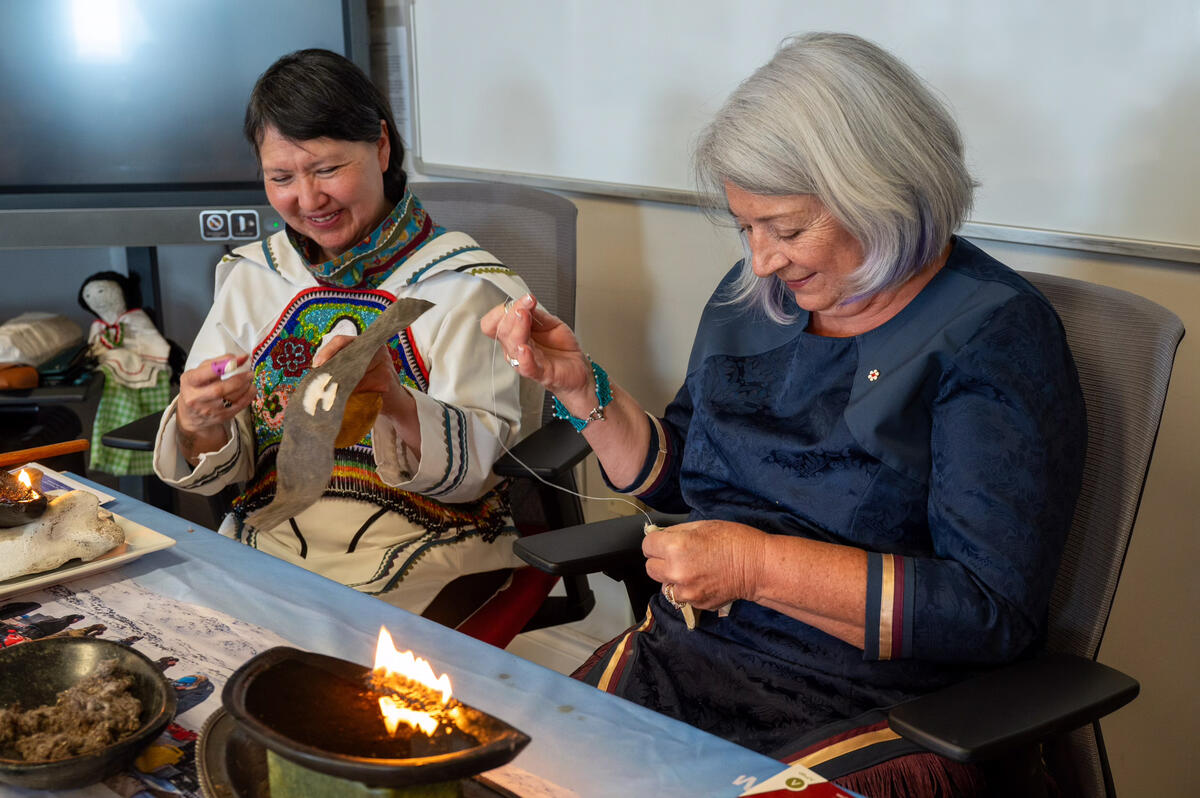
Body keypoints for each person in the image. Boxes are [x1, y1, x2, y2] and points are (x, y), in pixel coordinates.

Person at [484, 33, 1085, 797]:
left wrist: (753, 565)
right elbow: (686, 485)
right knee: (509, 772)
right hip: (700, 661)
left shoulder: (990, 335)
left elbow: (987, 612)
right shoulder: (757, 303)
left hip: (878, 705)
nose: (763, 259)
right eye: (747, 228)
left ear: (882, 190)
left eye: (789, 229)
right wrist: (580, 391)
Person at [153, 49, 530, 621]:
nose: (307, 200)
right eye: (281, 177)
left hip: (423, 546)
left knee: (323, 685)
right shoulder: (254, 275)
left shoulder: (463, 284)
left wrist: (395, 400)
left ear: (380, 146)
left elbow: (480, 470)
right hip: (271, 540)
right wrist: (198, 423)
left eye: (327, 169)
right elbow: (220, 468)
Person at [79, 271, 172, 476]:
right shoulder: (98, 326)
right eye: (89, 295)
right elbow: (93, 348)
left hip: (140, 360)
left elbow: (153, 342)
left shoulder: (135, 318)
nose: (96, 298)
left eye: (102, 291)